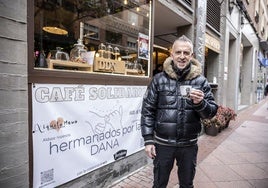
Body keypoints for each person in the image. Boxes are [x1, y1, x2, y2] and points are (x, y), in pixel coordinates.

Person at [141, 35, 218, 188]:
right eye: (178, 52)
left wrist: (200, 103)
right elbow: (148, 110)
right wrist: (149, 140)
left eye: (186, 53)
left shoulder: (200, 81)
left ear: (191, 56)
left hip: (189, 145)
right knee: (159, 184)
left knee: (187, 184)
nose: (182, 57)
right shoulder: (158, 80)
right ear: (172, 54)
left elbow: (211, 112)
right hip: (163, 144)